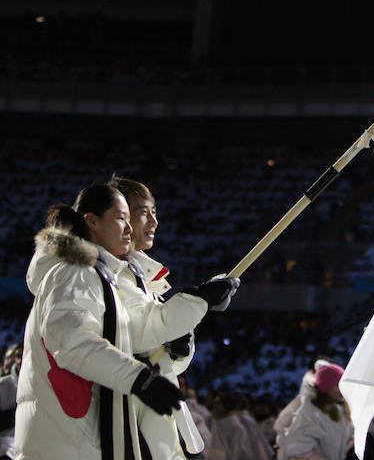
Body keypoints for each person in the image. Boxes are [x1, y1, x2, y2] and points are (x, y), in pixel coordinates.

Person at [14, 183, 234, 460]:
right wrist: (140, 379)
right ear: (92, 221)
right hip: (73, 436)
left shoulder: (101, 273)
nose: (132, 226)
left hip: (93, 436)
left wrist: (193, 313)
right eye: (124, 217)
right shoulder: (76, 270)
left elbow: (139, 332)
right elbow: (72, 341)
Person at [109, 176, 240, 460]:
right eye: (144, 212)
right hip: (123, 418)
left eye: (154, 212)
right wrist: (200, 299)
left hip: (148, 415)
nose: (154, 222)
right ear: (118, 216)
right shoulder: (106, 274)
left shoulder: (140, 275)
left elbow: (162, 350)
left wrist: (180, 347)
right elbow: (144, 331)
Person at [277, 363, 353, 460]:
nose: (342, 389)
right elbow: (298, 449)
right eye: (338, 385)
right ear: (327, 387)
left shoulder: (338, 411)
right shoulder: (309, 412)